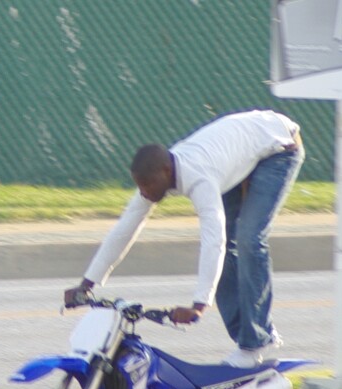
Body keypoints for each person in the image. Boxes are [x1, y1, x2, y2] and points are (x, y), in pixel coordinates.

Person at [64, 109, 305, 368]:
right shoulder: (160, 173)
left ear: (166, 171)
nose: (144, 192)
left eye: (148, 185)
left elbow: (213, 240)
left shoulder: (199, 177)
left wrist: (199, 304)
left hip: (279, 146)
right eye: (139, 185)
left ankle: (257, 340)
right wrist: (87, 284)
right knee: (228, 250)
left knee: (248, 238)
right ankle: (251, 342)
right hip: (240, 155)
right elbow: (124, 229)